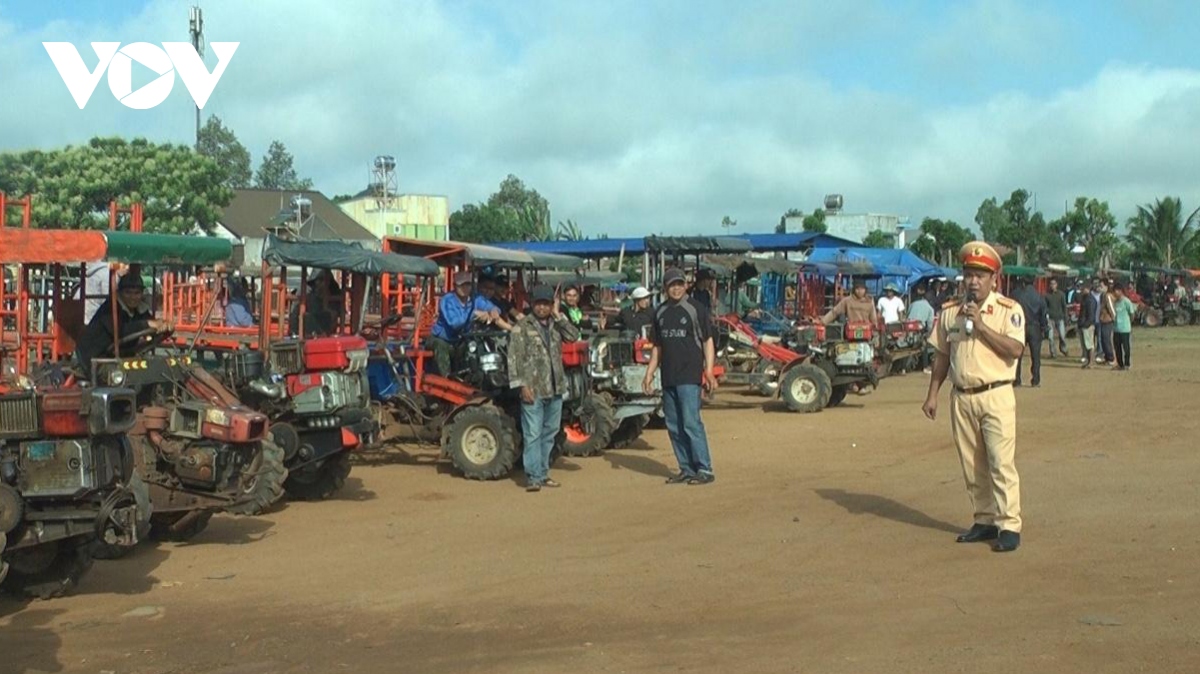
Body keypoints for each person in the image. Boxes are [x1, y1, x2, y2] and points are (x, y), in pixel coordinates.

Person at [922, 241, 1026, 553]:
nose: (973, 281)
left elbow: (1015, 350)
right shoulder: (950, 312)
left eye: (981, 275)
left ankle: (1009, 524)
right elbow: (942, 354)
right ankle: (984, 520)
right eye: (968, 274)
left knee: (1000, 462)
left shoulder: (1009, 310)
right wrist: (932, 395)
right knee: (971, 463)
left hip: (996, 394)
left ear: (995, 279)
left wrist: (980, 326)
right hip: (962, 397)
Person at [643, 268, 717, 486]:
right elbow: (657, 347)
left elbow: (707, 341)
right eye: (671, 285)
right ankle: (686, 468)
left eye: (679, 284)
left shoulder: (695, 309)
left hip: (689, 376)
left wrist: (709, 370)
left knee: (691, 423)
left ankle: (704, 468)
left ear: (685, 285)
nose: (676, 288)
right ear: (665, 288)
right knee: (674, 425)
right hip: (668, 378)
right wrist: (649, 374)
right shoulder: (659, 312)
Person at [507, 285, 580, 492]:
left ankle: (543, 472)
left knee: (550, 433)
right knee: (533, 434)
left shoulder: (556, 325)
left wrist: (559, 316)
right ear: (532, 304)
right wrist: (522, 385)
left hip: (555, 388)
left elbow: (573, 336)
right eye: (538, 304)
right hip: (533, 388)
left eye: (546, 304)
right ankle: (533, 477)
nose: (542, 308)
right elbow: (514, 359)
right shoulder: (522, 326)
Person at [76, 271, 170, 374]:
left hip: (120, 356)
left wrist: (164, 325)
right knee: (134, 375)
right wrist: (147, 324)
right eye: (128, 292)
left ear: (142, 294)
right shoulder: (110, 308)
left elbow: (151, 323)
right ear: (119, 293)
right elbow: (119, 331)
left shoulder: (140, 309)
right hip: (95, 359)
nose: (133, 297)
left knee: (155, 369)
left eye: (137, 293)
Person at [430, 276, 509, 375]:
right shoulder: (447, 300)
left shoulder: (475, 298)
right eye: (461, 285)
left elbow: (492, 306)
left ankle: (477, 375)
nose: (465, 288)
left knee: (477, 344)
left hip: (462, 339)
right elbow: (455, 323)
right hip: (443, 338)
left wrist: (493, 311)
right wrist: (474, 314)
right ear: (455, 286)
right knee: (440, 346)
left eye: (467, 285)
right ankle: (445, 379)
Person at [1013, 278, 1048, 387]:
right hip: (1035, 327)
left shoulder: (1016, 295)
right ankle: (1035, 380)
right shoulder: (1039, 296)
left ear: (1023, 283)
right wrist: (1044, 328)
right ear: (1033, 283)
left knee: (1018, 355)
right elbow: (1043, 315)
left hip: (1020, 327)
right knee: (1036, 356)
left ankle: (1017, 379)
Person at [906, 285, 936, 373]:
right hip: (919, 329)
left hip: (908, 328)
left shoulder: (913, 304)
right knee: (924, 347)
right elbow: (930, 325)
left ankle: (903, 369)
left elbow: (908, 315)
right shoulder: (930, 308)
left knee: (906, 347)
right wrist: (929, 334)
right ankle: (925, 367)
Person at [1112, 283, 1136, 370]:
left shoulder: (1126, 301)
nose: (1114, 293)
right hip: (1116, 329)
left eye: (1115, 291)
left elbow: (1132, 314)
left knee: (1126, 348)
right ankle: (1120, 364)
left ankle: (1127, 364)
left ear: (1120, 291)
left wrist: (1128, 323)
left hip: (1125, 329)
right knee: (1117, 348)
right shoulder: (1115, 302)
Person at [1043, 278, 1069, 358]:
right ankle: (1053, 353)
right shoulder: (1046, 295)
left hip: (1060, 318)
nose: (1052, 286)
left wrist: (1066, 318)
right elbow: (1045, 307)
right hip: (1050, 319)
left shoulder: (1061, 294)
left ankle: (1063, 349)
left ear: (1056, 285)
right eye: (1051, 284)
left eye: (1054, 284)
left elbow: (1064, 306)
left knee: (1062, 336)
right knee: (1050, 337)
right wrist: (1046, 316)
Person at [1077, 282, 1097, 369]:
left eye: (1083, 288)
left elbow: (1091, 315)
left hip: (1087, 325)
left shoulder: (1090, 300)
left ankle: (1091, 362)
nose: (1081, 289)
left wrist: (1086, 324)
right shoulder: (1085, 298)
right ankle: (1088, 361)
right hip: (1083, 324)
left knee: (1089, 345)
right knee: (1085, 345)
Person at [1097, 279, 1116, 366]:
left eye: (1101, 286)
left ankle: (1111, 358)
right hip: (1103, 320)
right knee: (1103, 340)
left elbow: (1111, 308)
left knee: (1106, 339)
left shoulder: (1108, 296)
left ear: (1106, 287)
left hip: (1108, 320)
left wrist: (1114, 319)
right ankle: (1107, 358)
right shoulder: (1102, 295)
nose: (1099, 288)